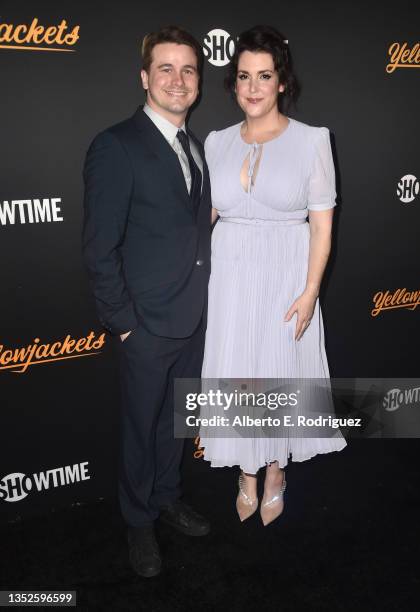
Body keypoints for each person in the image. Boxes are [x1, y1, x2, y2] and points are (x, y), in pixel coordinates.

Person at [200, 25, 347, 526]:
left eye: (264, 75)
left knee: (281, 370)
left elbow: (322, 228)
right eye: (244, 76)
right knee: (240, 372)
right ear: (233, 83)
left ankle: (276, 469)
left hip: (286, 274)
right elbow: (205, 218)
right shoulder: (216, 143)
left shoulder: (312, 141)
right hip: (231, 278)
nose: (254, 87)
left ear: (281, 81)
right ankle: (246, 470)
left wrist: (310, 292)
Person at [82, 26, 211, 577]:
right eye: (166, 68)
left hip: (194, 318)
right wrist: (125, 324)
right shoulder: (116, 145)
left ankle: (166, 498)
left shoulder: (198, 147)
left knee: (175, 424)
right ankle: (138, 523)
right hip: (147, 325)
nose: (177, 80)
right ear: (145, 77)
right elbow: (98, 248)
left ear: (198, 83)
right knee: (140, 428)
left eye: (187, 70)